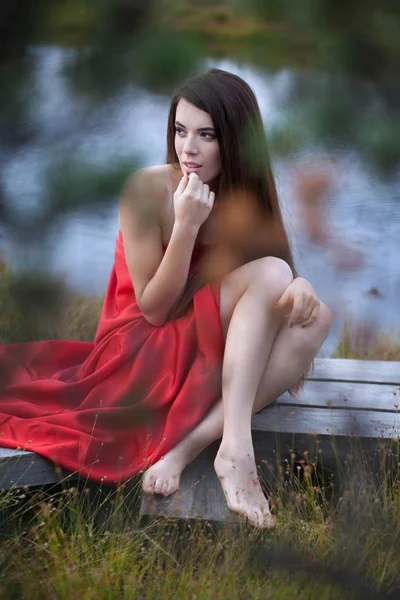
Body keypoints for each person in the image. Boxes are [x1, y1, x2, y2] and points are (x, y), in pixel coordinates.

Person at [0, 68, 332, 528]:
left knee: (316, 316)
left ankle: (193, 446)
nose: (187, 148)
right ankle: (235, 447)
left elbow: (268, 278)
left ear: (235, 141)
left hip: (204, 347)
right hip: (139, 353)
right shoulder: (145, 189)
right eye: (180, 131)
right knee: (276, 274)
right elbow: (153, 310)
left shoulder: (244, 199)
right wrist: (187, 225)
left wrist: (302, 285)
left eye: (206, 135)